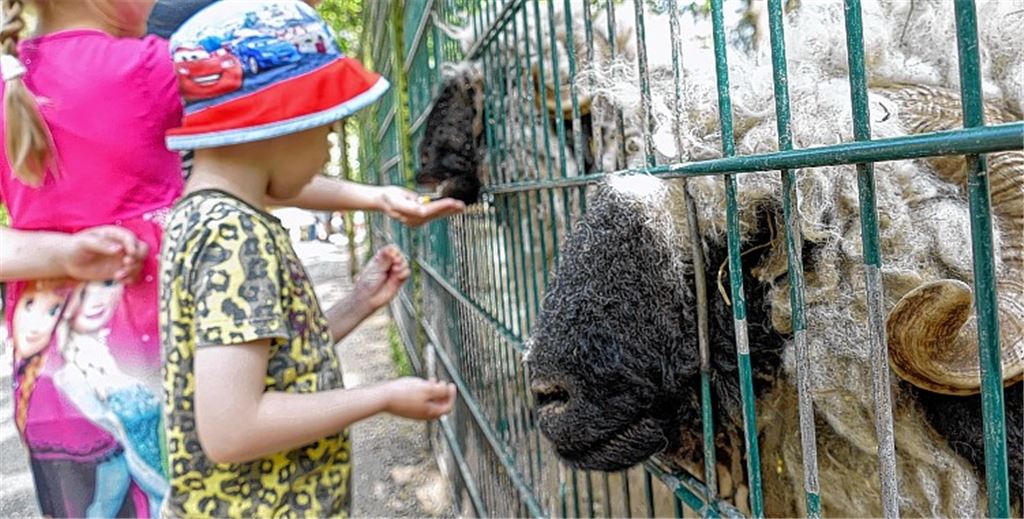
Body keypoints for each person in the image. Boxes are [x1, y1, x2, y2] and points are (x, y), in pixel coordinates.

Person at [158, 2, 456, 517]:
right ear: (281, 120)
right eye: (327, 127)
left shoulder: (200, 218)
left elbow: (264, 366)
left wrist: (357, 304)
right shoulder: (233, 234)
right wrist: (382, 396)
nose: (328, 146)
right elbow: (233, 429)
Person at [1, 0, 179, 515]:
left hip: (50, 386)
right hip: (159, 358)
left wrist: (61, 252)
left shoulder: (9, 81)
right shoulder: (152, 66)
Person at [146, 0, 466, 227]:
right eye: (325, 131)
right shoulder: (233, 235)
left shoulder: (206, 215)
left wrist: (380, 198)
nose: (327, 154)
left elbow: (256, 169)